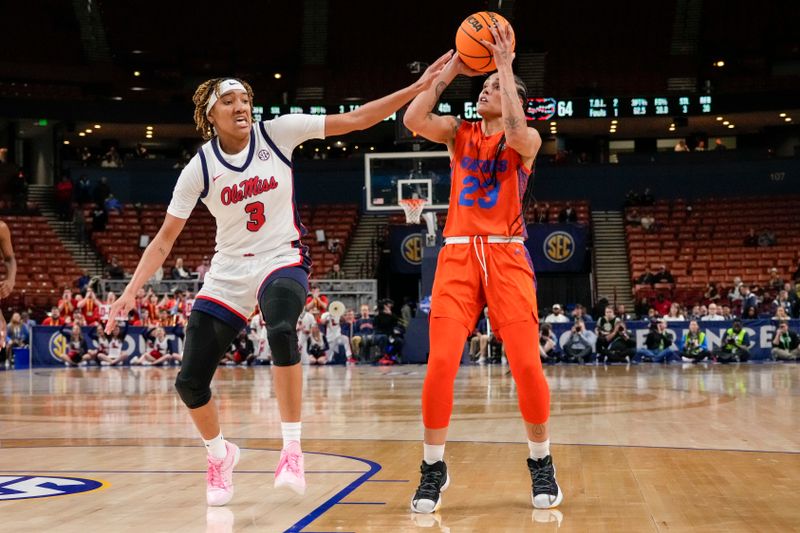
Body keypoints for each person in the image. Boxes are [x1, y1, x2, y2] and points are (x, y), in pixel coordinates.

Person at [105, 63, 450, 507]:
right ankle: (219, 455)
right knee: (189, 383)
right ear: (210, 115)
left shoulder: (278, 133)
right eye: (229, 101)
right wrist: (130, 291)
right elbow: (164, 239)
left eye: (245, 99)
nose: (241, 106)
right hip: (228, 271)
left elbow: (357, 119)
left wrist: (417, 88)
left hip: (282, 256)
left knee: (282, 328)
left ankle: (291, 449)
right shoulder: (200, 167)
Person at [403, 32, 562, 513]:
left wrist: (505, 67)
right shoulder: (458, 132)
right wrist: (451, 71)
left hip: (507, 255)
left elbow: (515, 132)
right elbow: (413, 118)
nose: (485, 89)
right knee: (441, 364)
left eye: (494, 85)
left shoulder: (527, 139)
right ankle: (433, 468)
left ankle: (541, 459)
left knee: (526, 365)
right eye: (486, 84)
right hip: (456, 255)